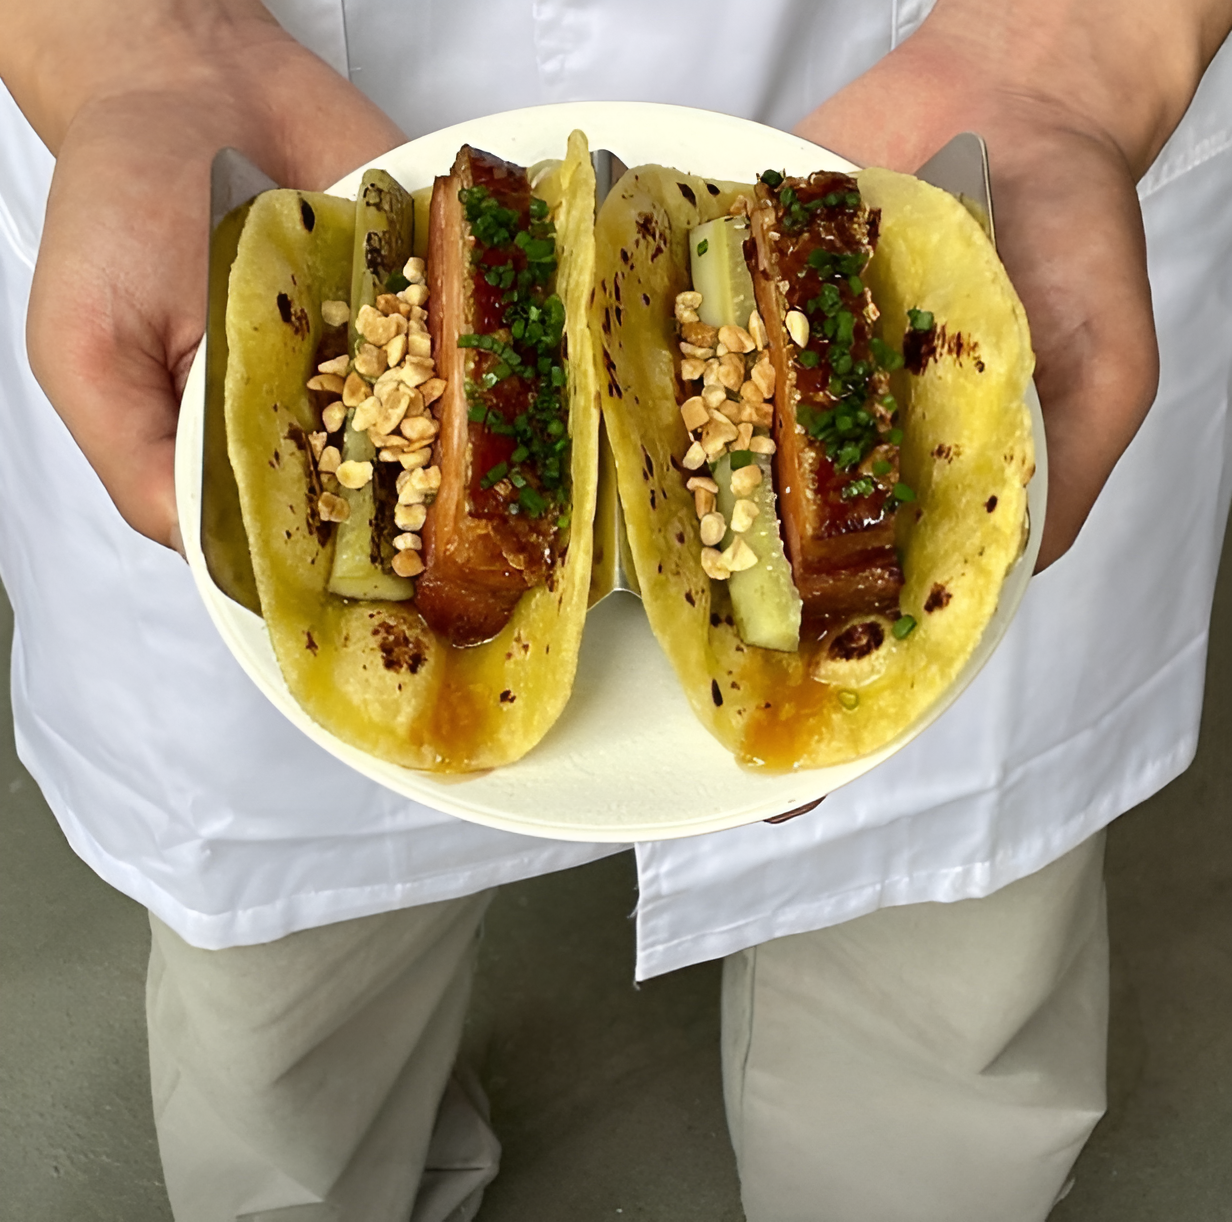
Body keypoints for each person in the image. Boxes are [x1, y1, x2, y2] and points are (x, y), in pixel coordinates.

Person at [1, 1, 1231, 1218]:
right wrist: (130, 47)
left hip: (982, 69)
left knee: (938, 1018)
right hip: (238, 79)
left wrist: (1075, 48)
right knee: (287, 1039)